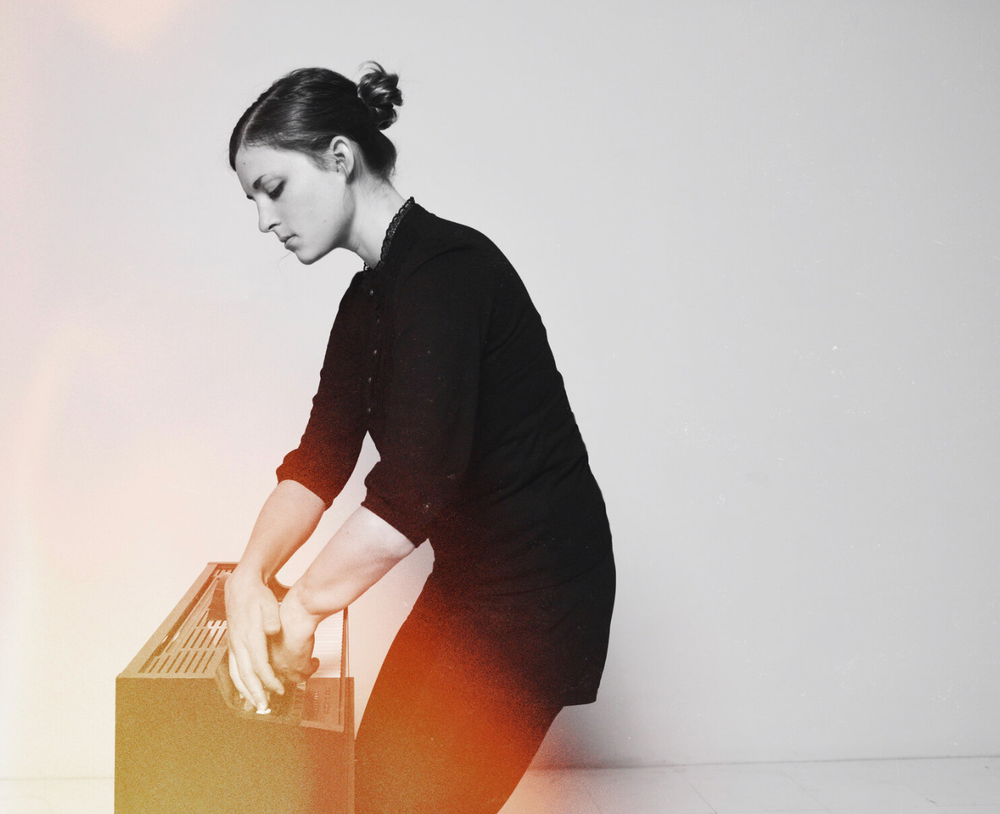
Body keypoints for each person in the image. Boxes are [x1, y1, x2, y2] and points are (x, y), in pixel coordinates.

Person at [223, 62, 615, 814]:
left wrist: (301, 610)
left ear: (340, 157)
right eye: (252, 201)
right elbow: (319, 458)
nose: (264, 221)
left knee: (415, 803)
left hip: (540, 597)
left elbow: (414, 488)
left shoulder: (449, 272)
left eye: (271, 189)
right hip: (469, 587)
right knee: (369, 790)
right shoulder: (368, 297)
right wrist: (250, 575)